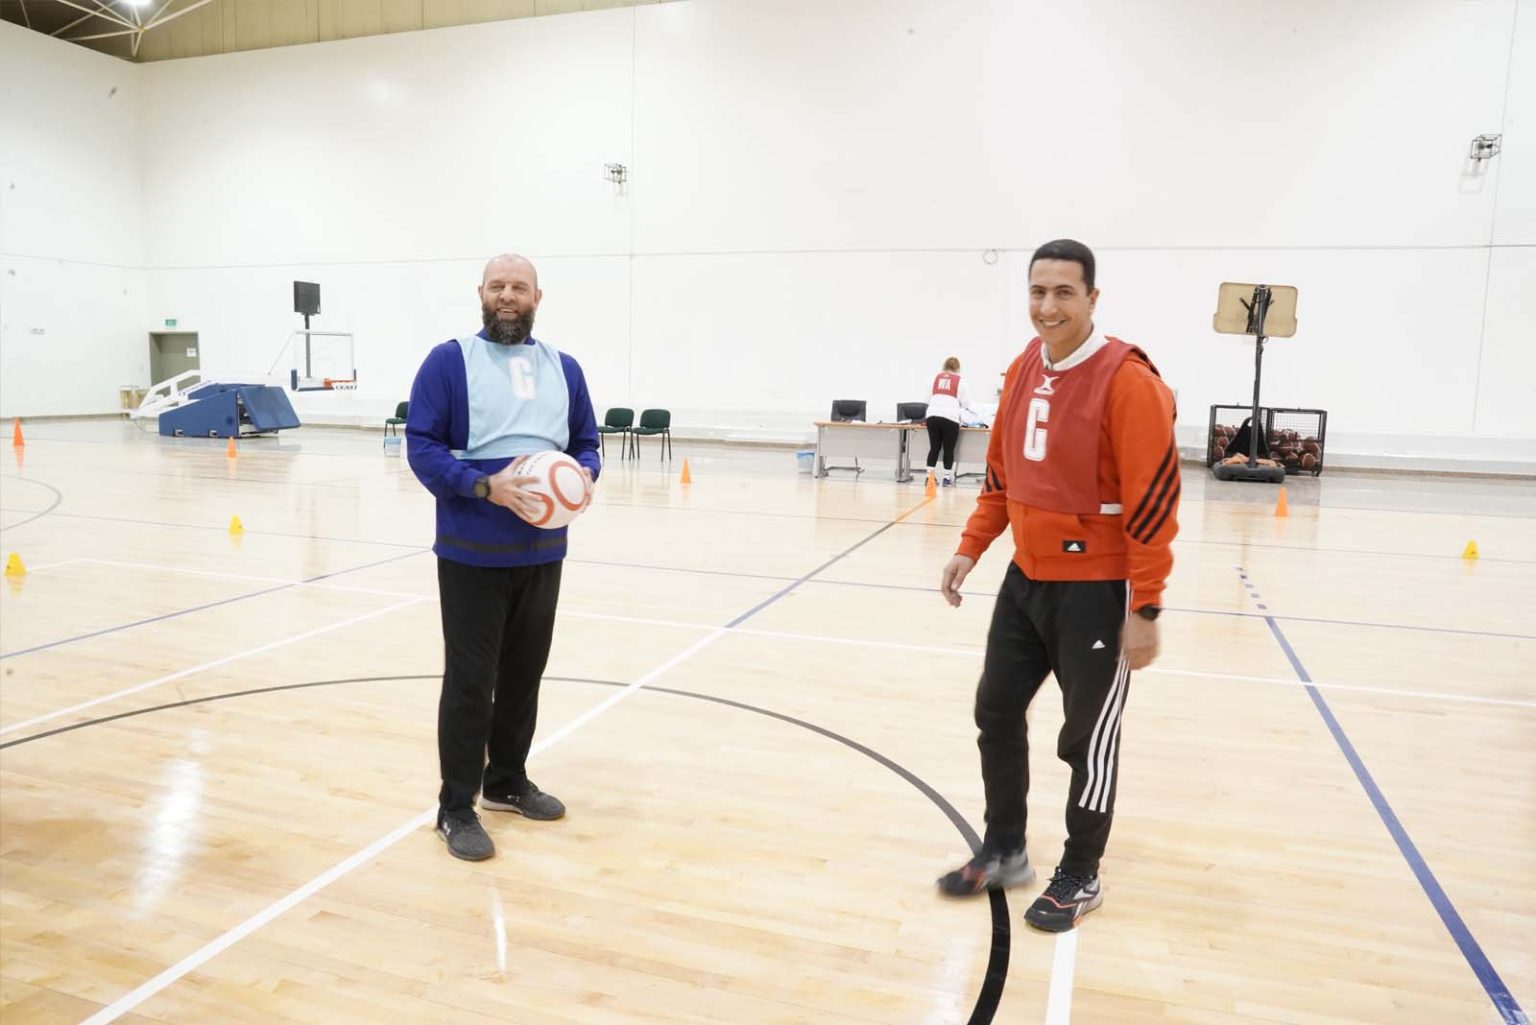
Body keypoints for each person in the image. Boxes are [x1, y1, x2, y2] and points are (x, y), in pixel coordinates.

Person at [935, 239, 1178, 931]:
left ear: (1093, 298)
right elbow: (1001, 475)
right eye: (1038, 292)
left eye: (1064, 292)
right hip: (1026, 579)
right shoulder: (1022, 367)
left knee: (1087, 739)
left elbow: (1154, 504)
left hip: (1097, 589)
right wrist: (972, 546)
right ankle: (1005, 848)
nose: (1048, 306)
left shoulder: (1129, 381)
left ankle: (1081, 872)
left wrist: (1146, 606)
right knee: (995, 711)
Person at [406, 253, 601, 862]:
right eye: (498, 286)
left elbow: (587, 443)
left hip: (543, 549)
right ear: (481, 294)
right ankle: (455, 806)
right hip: (472, 550)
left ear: (538, 297)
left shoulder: (564, 368)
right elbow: (422, 444)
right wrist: (482, 486)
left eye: (519, 287)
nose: (508, 296)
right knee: (471, 681)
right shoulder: (449, 362)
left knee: (524, 673)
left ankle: (507, 781)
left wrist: (583, 477)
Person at [925, 356, 975, 486]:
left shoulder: (935, 378)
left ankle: (929, 478)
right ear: (958, 368)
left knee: (934, 447)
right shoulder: (960, 381)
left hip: (932, 415)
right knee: (948, 448)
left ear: (944, 366)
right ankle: (947, 478)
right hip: (950, 416)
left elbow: (928, 399)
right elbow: (966, 403)